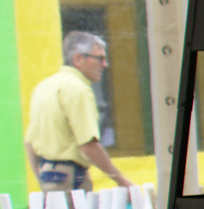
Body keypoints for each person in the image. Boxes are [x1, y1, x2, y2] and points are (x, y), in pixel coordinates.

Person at [25, 31, 133, 193]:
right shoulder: (78, 89)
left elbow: (29, 143)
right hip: (71, 177)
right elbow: (88, 146)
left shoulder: (44, 86)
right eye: (99, 58)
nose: (105, 64)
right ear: (78, 59)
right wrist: (121, 180)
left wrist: (42, 179)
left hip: (47, 173)